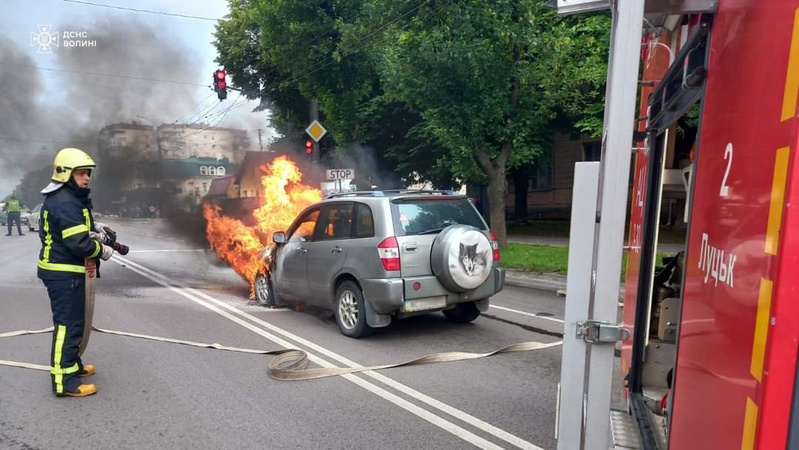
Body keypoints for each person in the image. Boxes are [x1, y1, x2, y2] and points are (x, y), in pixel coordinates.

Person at [37, 148, 114, 398]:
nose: (87, 177)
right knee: (67, 327)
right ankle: (64, 381)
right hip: (64, 273)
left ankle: (73, 365)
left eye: (88, 173)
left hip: (69, 272)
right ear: (65, 174)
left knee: (76, 324)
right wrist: (101, 249)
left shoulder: (69, 198)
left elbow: (75, 230)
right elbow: (78, 244)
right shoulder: (65, 201)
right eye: (81, 173)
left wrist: (94, 227)